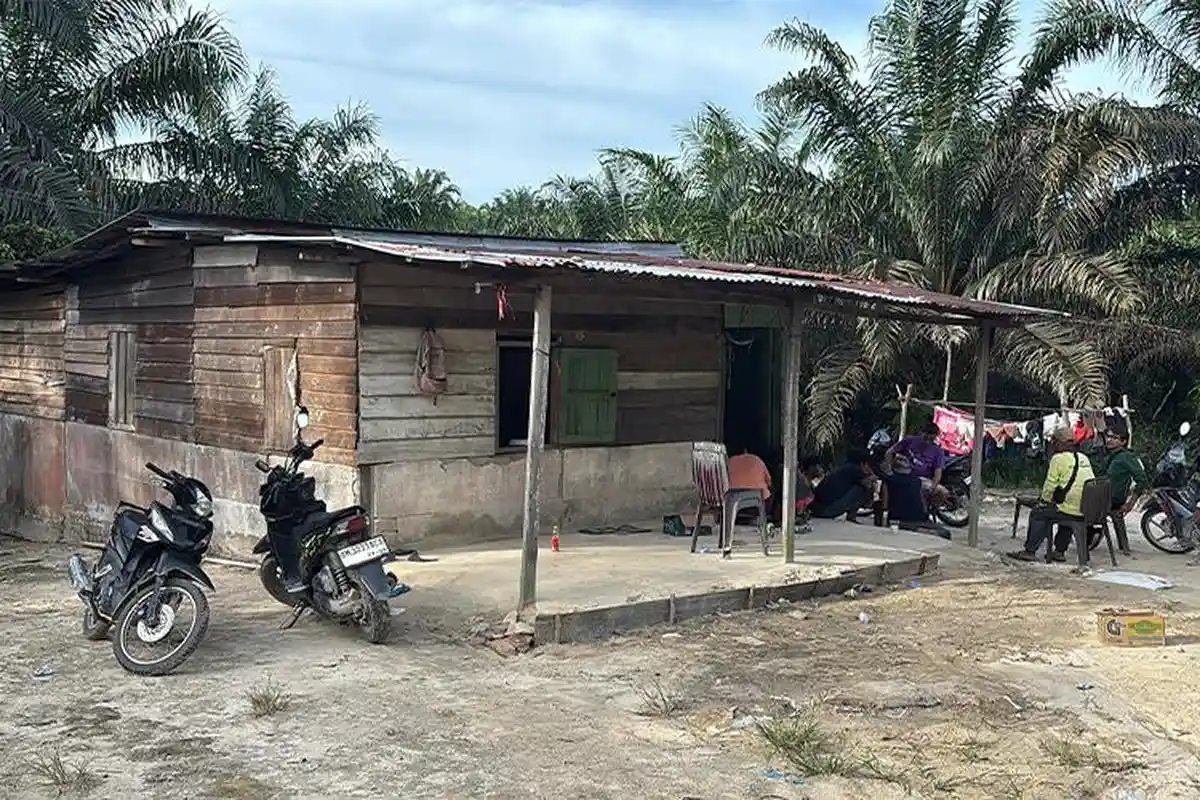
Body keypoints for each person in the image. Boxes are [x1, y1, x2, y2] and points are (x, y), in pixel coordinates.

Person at [1009, 426, 1096, 562]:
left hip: (1068, 508)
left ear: (1060, 442)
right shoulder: (1084, 458)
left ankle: (1030, 551)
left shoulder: (1058, 459)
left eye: (1054, 441)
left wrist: (1043, 501)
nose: (1052, 444)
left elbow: (1050, 486)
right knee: (1067, 513)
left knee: (1038, 513)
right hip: (1086, 508)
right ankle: (1060, 551)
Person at [1102, 427, 1148, 555]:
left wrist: (1131, 503)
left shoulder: (1126, 457)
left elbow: (1142, 480)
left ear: (1123, 442)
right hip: (1104, 495)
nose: (1109, 440)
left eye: (1114, 438)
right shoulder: (1112, 456)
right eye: (1108, 437)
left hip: (1112, 498)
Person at [882, 455, 951, 539]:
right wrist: (934, 504)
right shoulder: (918, 481)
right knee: (945, 533)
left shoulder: (888, 480)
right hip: (919, 520)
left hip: (897, 521)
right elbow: (944, 492)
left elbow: (884, 506)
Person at [888, 422, 949, 503]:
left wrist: (933, 487)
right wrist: (889, 469)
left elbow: (938, 472)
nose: (928, 440)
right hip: (903, 475)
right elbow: (890, 452)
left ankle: (927, 510)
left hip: (921, 480)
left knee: (943, 492)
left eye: (931, 438)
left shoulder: (938, 451)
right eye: (926, 436)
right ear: (921, 432)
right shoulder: (909, 440)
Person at [811, 448, 874, 521]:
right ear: (862, 463)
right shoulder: (855, 469)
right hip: (826, 510)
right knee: (861, 489)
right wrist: (871, 476)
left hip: (816, 508)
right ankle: (852, 517)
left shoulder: (844, 468)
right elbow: (868, 486)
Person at [728, 449, 773, 516]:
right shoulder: (757, 460)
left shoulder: (729, 462)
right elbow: (769, 482)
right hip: (757, 506)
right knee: (771, 490)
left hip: (733, 506)